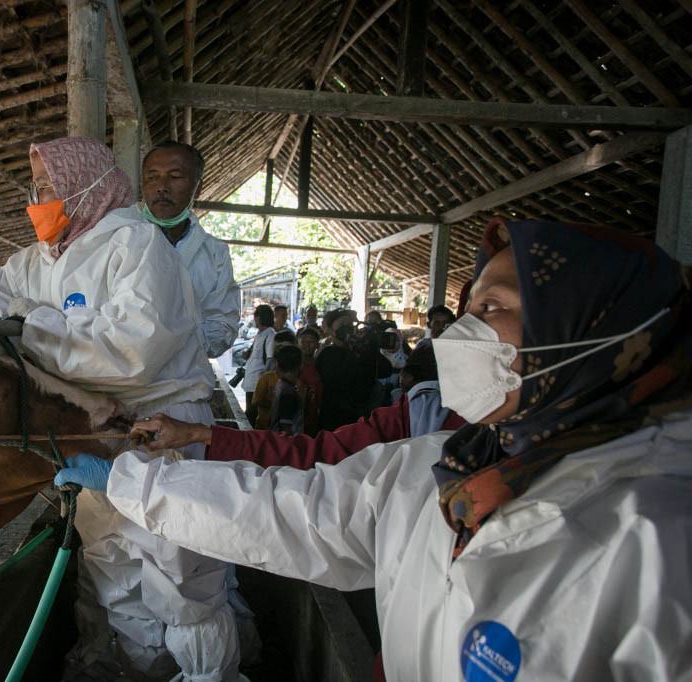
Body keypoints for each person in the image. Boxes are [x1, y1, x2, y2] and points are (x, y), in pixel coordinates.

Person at [57, 218, 692, 681]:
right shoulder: (440, 461)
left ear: (594, 329)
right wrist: (130, 482)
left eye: (493, 308)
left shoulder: (657, 540)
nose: (465, 333)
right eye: (468, 307)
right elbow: (295, 505)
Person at [0, 137, 241, 682]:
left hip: (160, 431)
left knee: (179, 572)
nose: (37, 199)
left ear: (84, 186)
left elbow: (131, 351)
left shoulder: (136, 245)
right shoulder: (39, 260)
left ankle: (209, 676)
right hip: (90, 433)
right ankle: (142, 671)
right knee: (112, 566)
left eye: (46, 187)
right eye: (36, 188)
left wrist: (29, 325)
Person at [140, 141, 239, 358]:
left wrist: (169, 340)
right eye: (152, 177)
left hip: (185, 386)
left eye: (175, 177)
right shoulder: (118, 236)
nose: (162, 186)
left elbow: (223, 326)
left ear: (198, 187)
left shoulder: (215, 253)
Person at [249, 343, 304, 434]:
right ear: (300, 365)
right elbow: (285, 427)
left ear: (277, 364)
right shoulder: (288, 391)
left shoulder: (281, 383)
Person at [241, 304, 276, 427]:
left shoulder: (270, 334)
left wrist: (264, 382)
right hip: (251, 382)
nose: (255, 320)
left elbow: (270, 360)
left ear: (260, 318)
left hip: (258, 383)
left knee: (252, 415)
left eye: (256, 317)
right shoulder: (260, 334)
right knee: (249, 414)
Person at [295, 327, 322, 435]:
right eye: (304, 341)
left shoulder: (321, 366)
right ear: (298, 343)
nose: (307, 344)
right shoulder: (293, 366)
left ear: (317, 345)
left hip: (313, 420)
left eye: (311, 341)